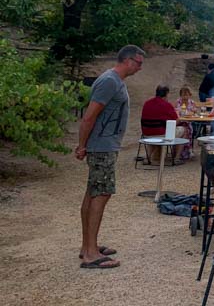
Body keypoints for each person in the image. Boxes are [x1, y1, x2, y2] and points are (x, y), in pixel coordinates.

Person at [75, 45, 145, 269]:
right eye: (139, 62)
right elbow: (89, 116)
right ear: (127, 60)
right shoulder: (110, 81)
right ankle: (91, 255)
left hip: (104, 146)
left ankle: (88, 246)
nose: (140, 67)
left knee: (93, 192)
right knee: (102, 194)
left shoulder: (115, 81)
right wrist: (82, 145)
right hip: (101, 147)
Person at [141, 85, 189, 162]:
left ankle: (147, 158)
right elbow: (174, 122)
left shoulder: (147, 103)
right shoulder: (166, 105)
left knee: (154, 132)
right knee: (184, 130)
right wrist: (181, 118)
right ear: (166, 94)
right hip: (162, 135)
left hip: (146, 134)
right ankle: (176, 158)